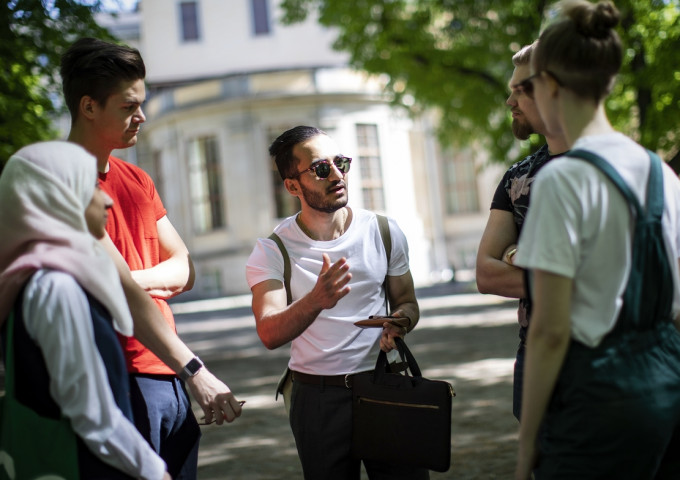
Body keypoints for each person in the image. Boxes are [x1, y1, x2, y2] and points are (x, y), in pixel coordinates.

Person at [60, 37, 243, 479]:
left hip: (164, 376)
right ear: (88, 106)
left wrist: (121, 280)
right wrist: (195, 370)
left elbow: (186, 268)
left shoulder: (136, 178)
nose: (141, 116)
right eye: (128, 106)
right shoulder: (59, 183)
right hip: (108, 379)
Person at [513, 1, 680, 478]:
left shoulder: (563, 179)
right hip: (666, 380)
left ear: (550, 84)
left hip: (598, 389)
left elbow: (549, 328)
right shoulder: (660, 173)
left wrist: (527, 444)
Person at [246, 126, 427, 480]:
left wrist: (399, 322)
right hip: (317, 399)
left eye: (341, 163)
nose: (338, 174)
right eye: (321, 168)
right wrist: (316, 300)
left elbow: (407, 302)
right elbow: (269, 331)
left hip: (382, 385)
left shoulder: (384, 231)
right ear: (293, 186)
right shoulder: (272, 250)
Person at [0, 141, 171, 479]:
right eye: (89, 187)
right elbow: (92, 414)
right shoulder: (55, 287)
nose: (105, 198)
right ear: (62, 197)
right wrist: (154, 471)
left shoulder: (26, 278)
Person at [475, 41, 568, 421]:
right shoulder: (518, 177)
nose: (509, 101)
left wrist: (516, 254)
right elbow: (485, 272)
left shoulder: (617, 172)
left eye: (519, 90)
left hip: (606, 355)